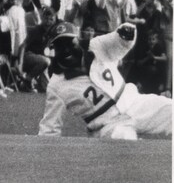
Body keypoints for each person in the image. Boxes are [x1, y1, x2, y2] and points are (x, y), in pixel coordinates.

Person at [38, 22, 172, 139]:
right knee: (123, 139)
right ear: (53, 49)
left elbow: (118, 41)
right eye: (59, 45)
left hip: (134, 103)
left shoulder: (96, 46)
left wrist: (127, 31)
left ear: (78, 40)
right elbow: (50, 127)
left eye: (69, 42)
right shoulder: (56, 85)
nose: (66, 49)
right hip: (107, 125)